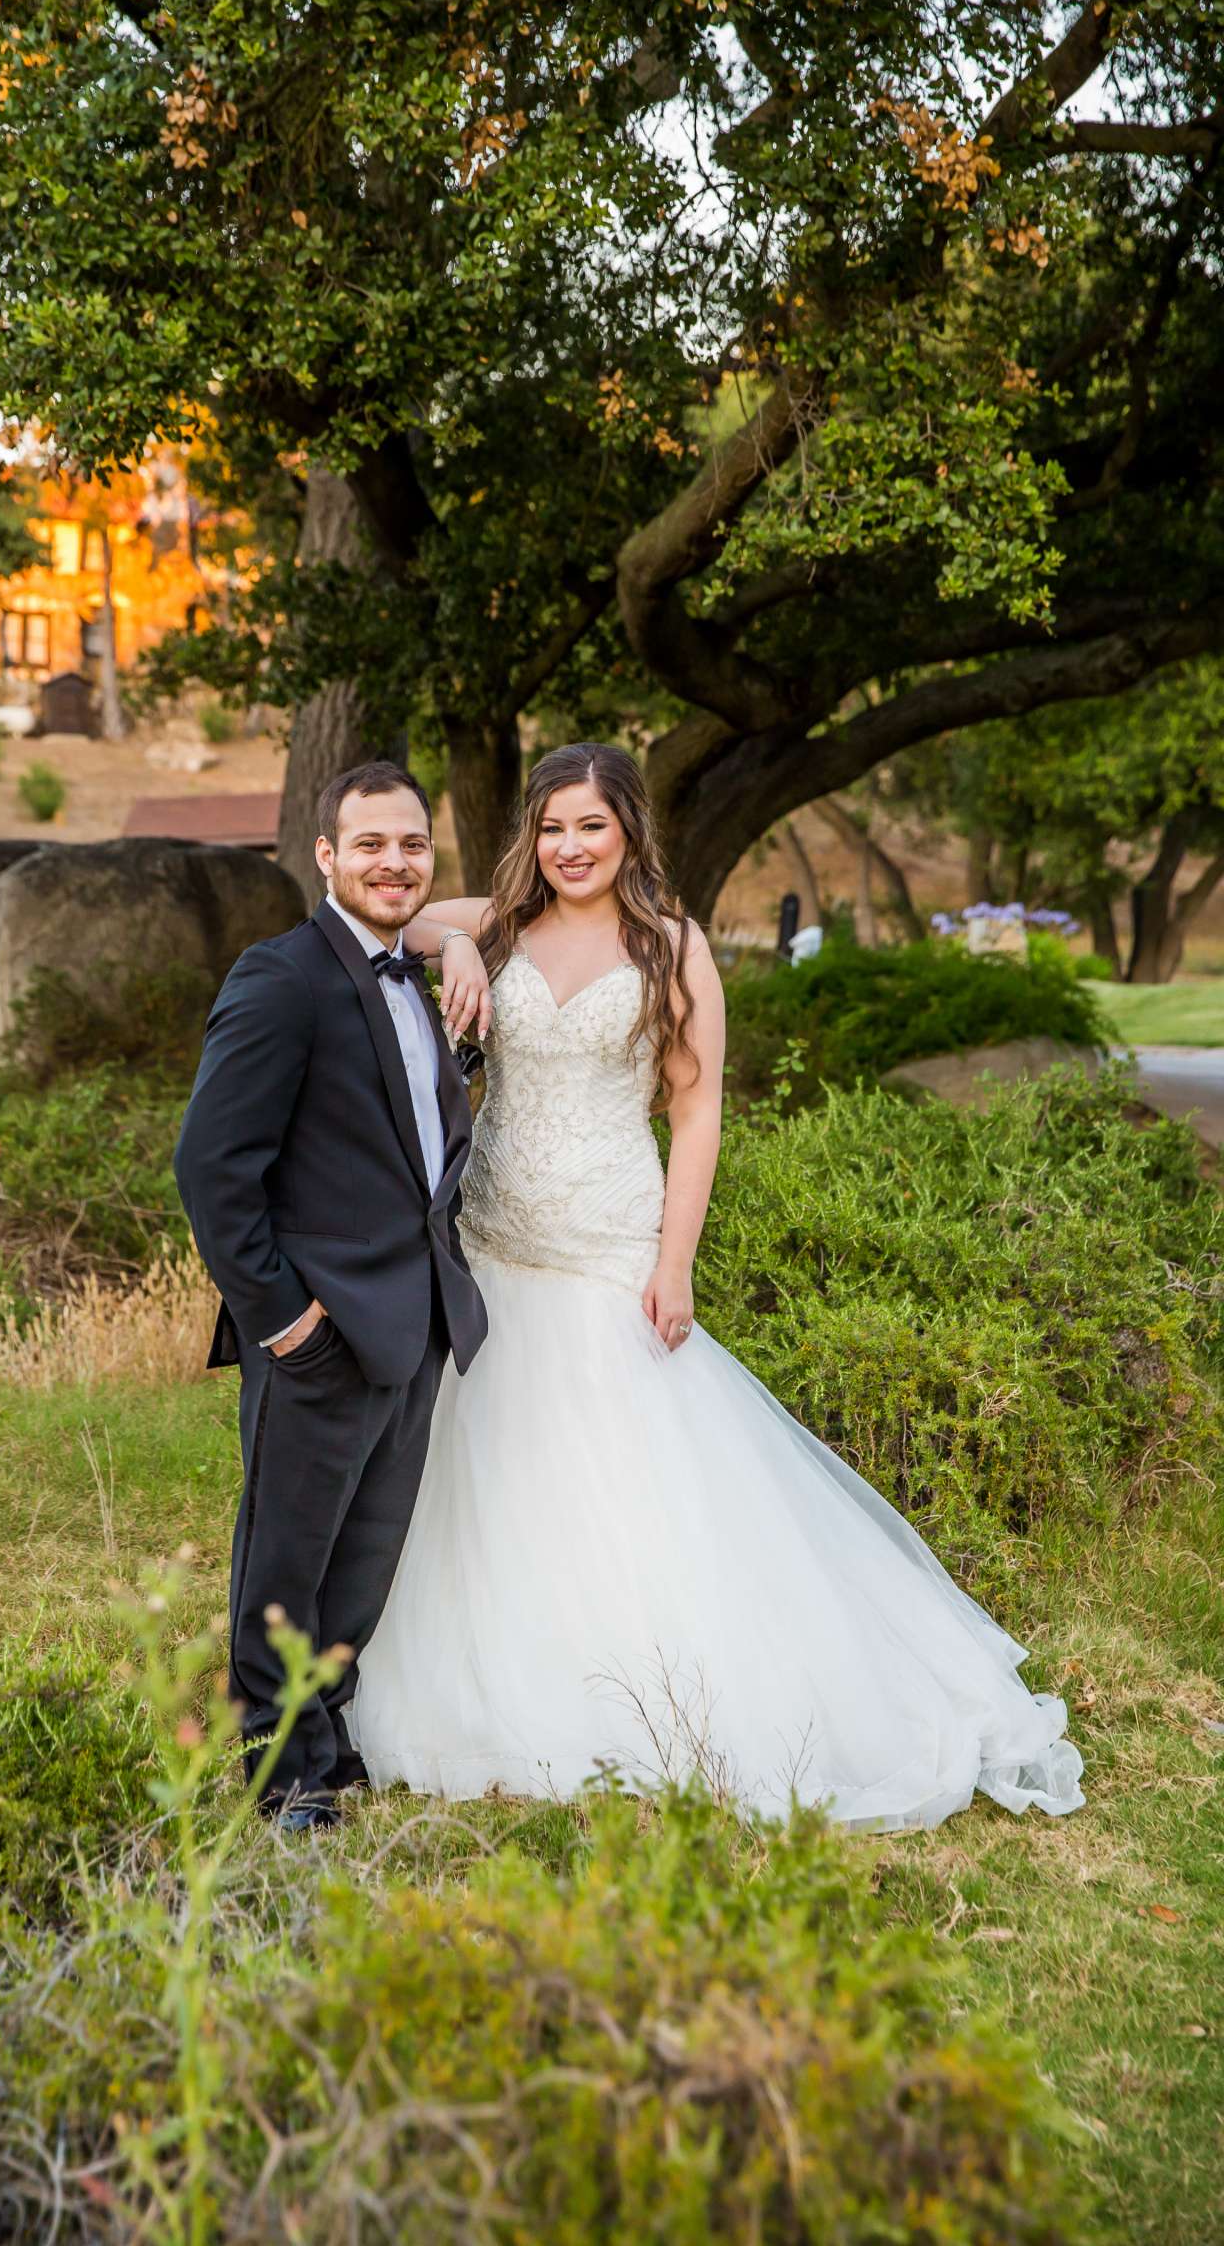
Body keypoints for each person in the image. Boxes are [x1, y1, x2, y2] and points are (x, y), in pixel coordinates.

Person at [348, 742, 1084, 1831]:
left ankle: (637, 1693)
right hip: (493, 1244)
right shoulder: (502, 922)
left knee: (622, 1479)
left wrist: (673, 1263)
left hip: (607, 1242)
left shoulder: (673, 949)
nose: (569, 848)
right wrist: (457, 943)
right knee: (489, 1466)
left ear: (630, 831)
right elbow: (387, 917)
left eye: (590, 826)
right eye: (550, 828)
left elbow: (695, 1111)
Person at [174, 761, 487, 1831]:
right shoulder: (282, 977)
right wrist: (282, 1318)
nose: (393, 863)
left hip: (414, 1323)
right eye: (370, 845)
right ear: (325, 855)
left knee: (361, 1557)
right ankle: (272, 1768)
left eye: (410, 845)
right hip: (316, 1329)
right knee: (288, 1554)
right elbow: (212, 1169)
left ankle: (326, 1735)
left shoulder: (414, 974)